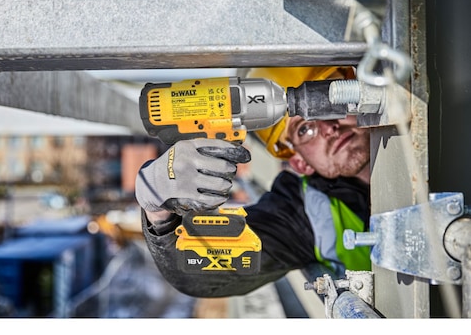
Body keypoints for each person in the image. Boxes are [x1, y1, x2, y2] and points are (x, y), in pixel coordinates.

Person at [135, 66, 372, 298]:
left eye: (328, 103)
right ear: (300, 163)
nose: (329, 128)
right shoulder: (303, 215)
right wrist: (157, 210)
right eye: (305, 129)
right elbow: (195, 273)